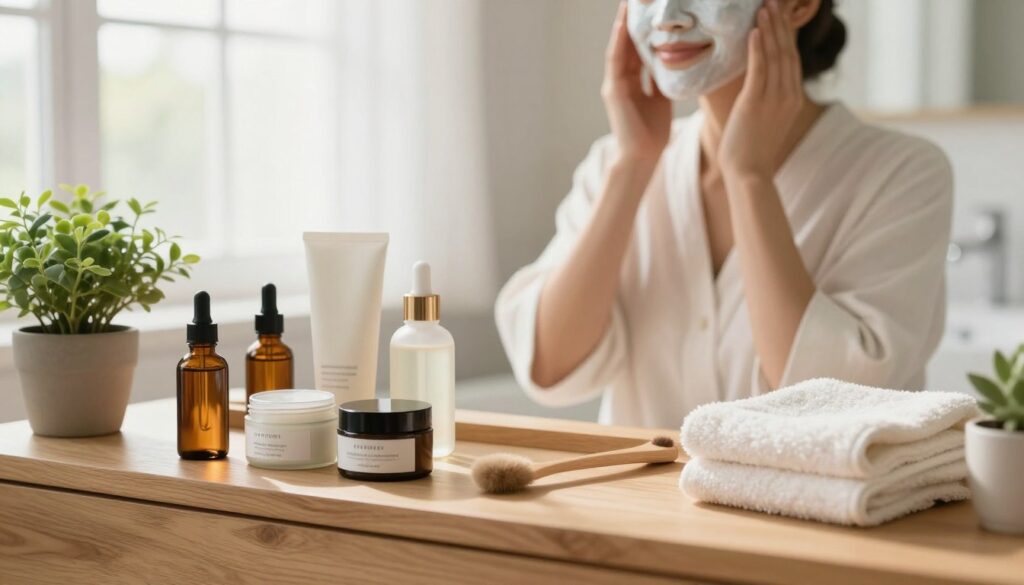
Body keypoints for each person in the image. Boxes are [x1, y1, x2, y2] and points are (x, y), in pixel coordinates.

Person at [494, 0, 953, 428]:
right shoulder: (616, 163)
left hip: (813, 515)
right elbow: (548, 367)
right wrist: (632, 166)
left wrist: (748, 177)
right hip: (636, 514)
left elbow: (835, 407)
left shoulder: (902, 173)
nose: (667, 16)